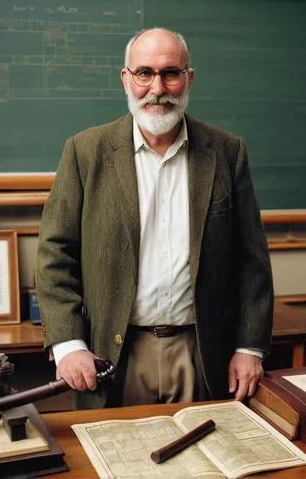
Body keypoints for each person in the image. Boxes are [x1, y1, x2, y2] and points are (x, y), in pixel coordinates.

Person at [36, 27, 273, 410]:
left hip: (203, 353)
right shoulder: (85, 151)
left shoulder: (228, 152)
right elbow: (55, 254)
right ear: (126, 79)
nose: (157, 87)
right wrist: (67, 344)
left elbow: (252, 261)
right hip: (114, 355)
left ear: (188, 78)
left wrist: (250, 348)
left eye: (170, 73)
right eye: (144, 73)